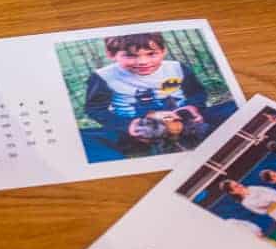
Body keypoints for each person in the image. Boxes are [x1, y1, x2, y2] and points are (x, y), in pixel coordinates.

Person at [79, 32, 237, 162]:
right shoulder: (104, 76)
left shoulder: (176, 68)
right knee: (82, 139)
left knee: (234, 108)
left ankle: (202, 138)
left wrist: (193, 107)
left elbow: (196, 93)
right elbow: (95, 109)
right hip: (138, 128)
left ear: (163, 51)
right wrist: (126, 125)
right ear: (111, 54)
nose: (143, 61)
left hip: (182, 120)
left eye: (151, 54)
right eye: (130, 56)